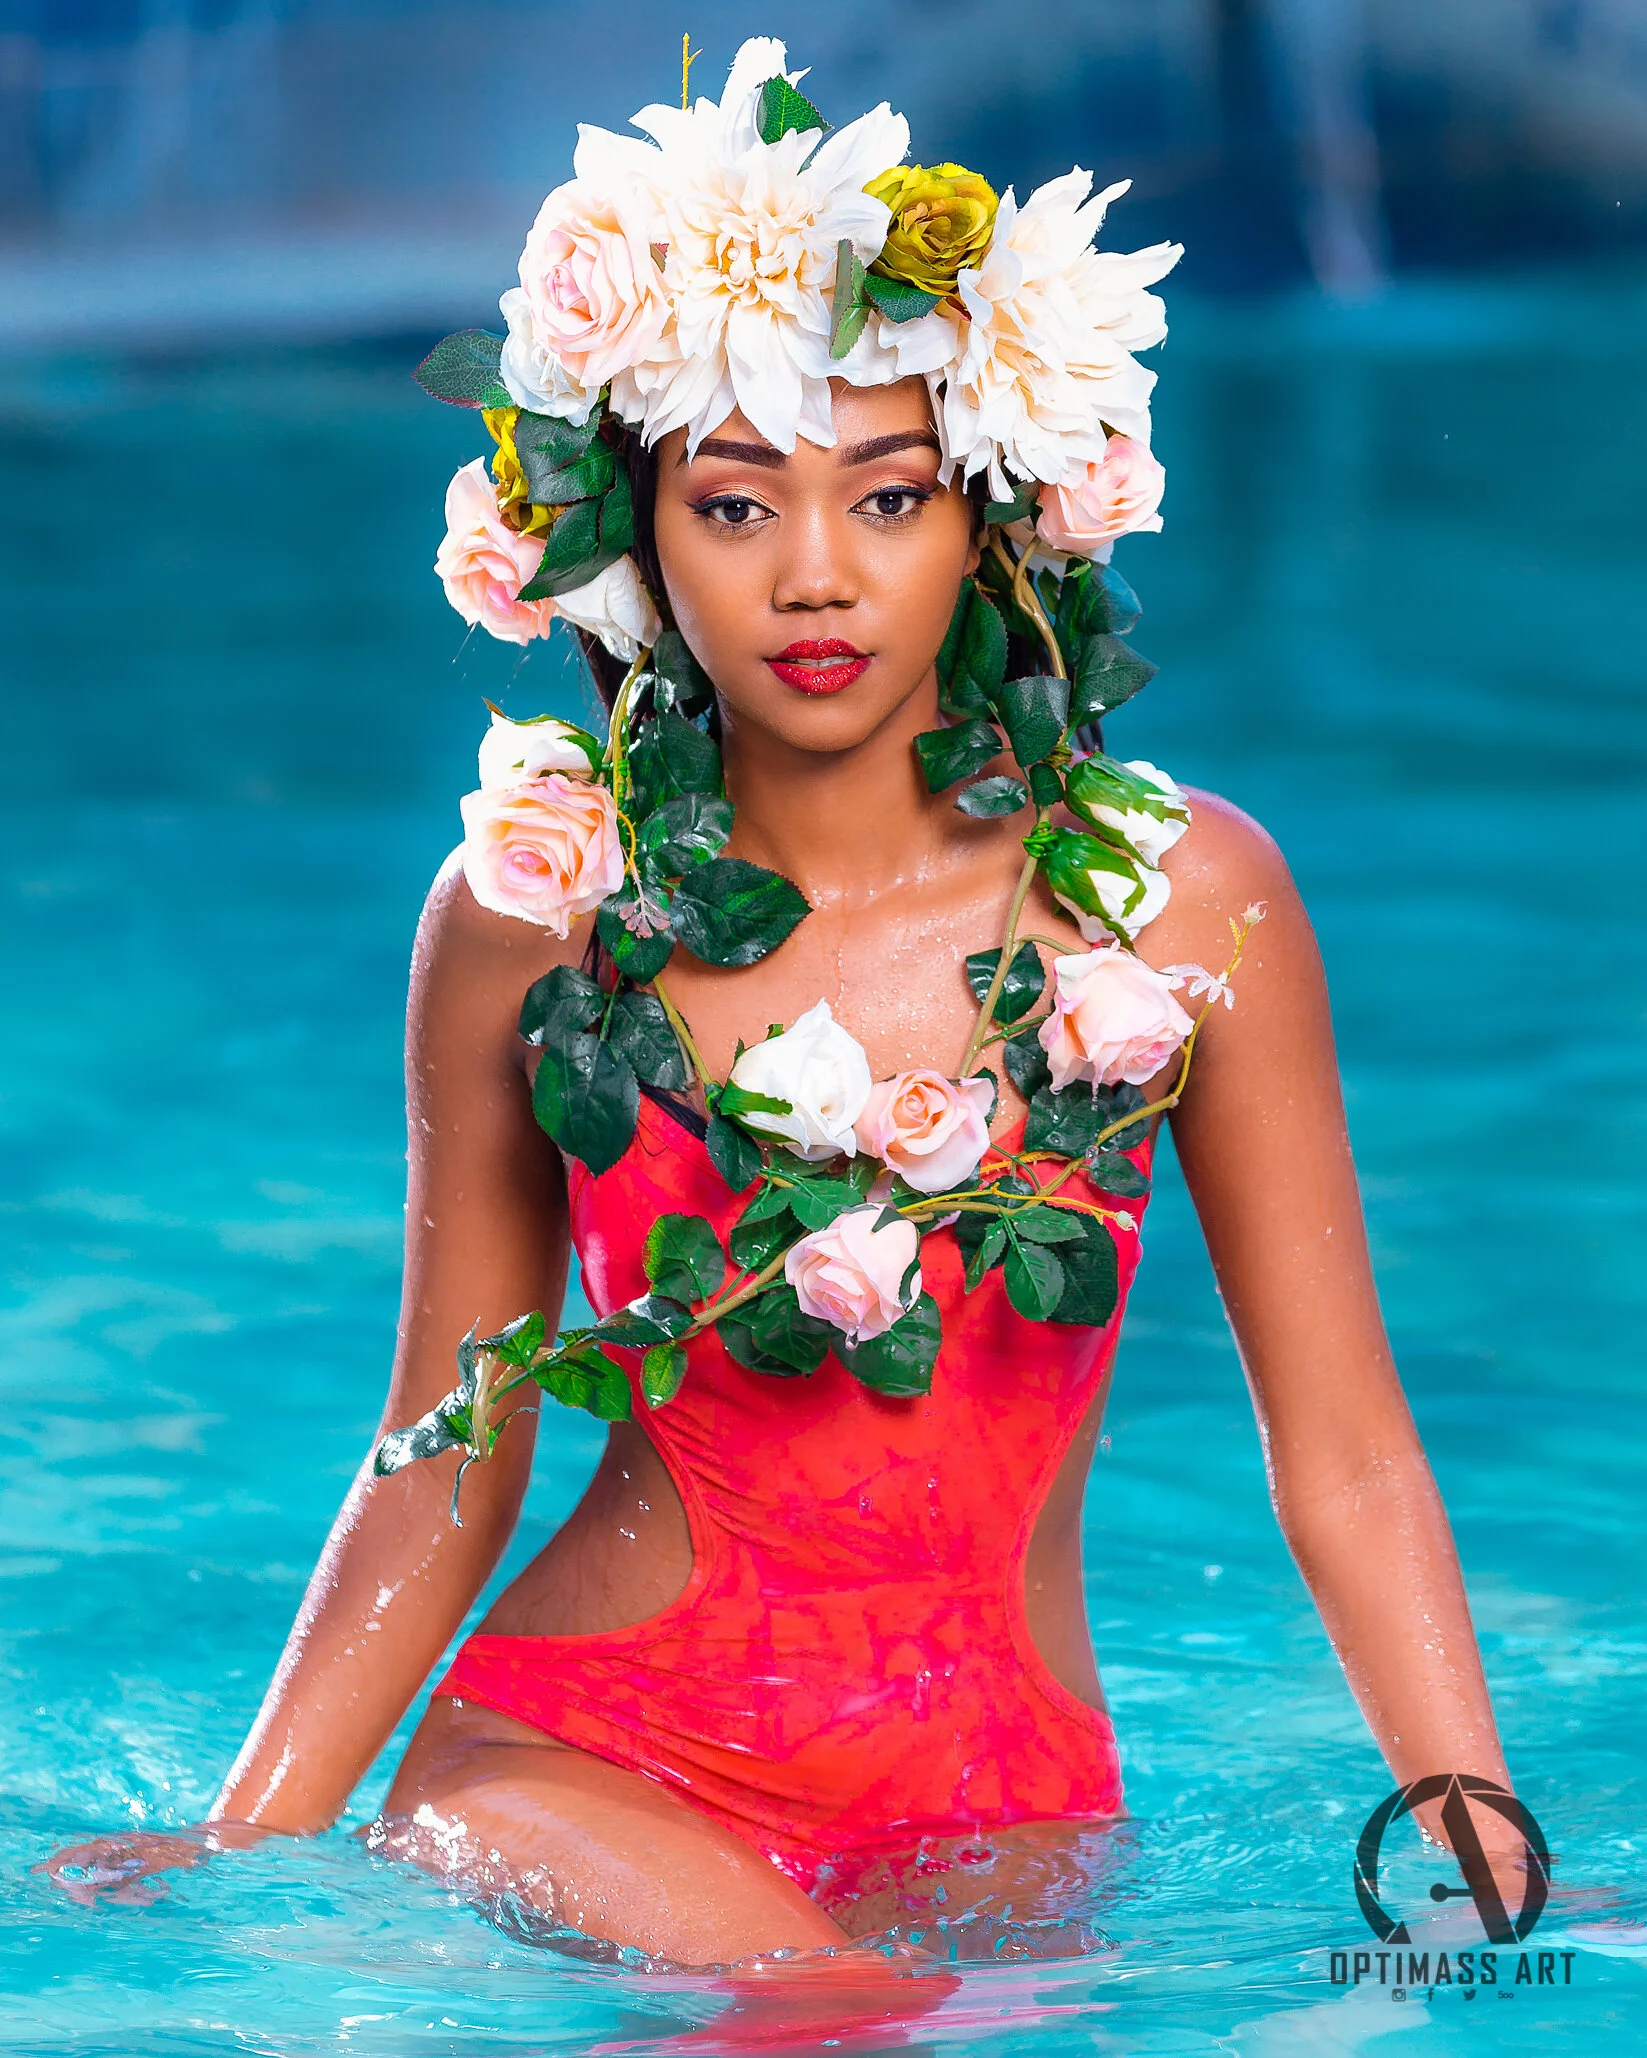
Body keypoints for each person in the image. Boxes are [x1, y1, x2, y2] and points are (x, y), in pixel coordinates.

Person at [50, 36, 1523, 1972]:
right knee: (839, 2011)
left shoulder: (1188, 908)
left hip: (1001, 1827)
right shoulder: (534, 910)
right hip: (583, 1777)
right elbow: (446, 1444)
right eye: (737, 506)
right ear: (632, 530)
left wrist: (1498, 1882)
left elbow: (1345, 1456)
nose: (813, 577)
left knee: (926, 2008)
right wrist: (240, 1852)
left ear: (988, 519)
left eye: (887, 498)